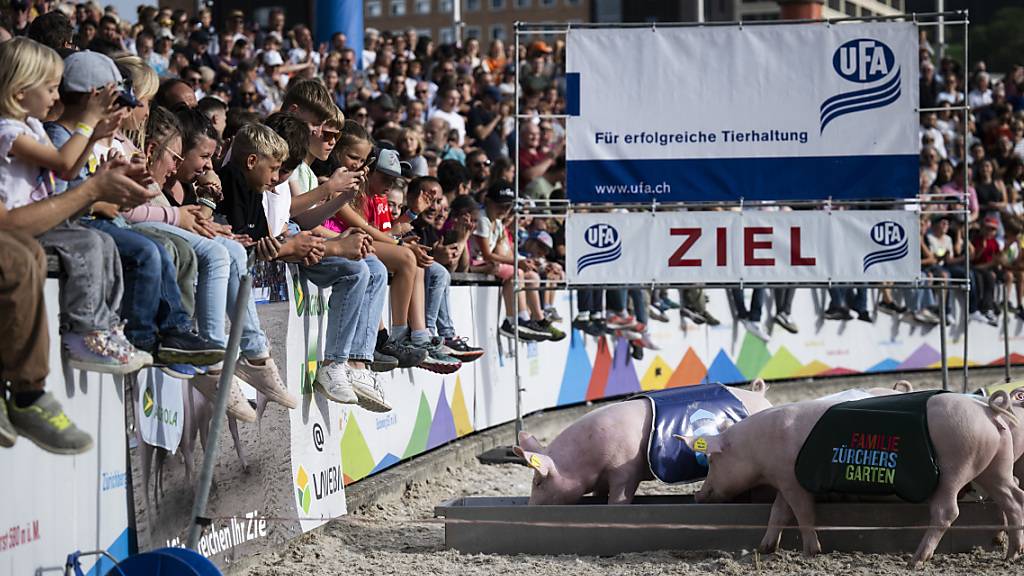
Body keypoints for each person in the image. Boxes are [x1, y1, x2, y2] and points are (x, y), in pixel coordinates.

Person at [45, 50, 224, 374]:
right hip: (79, 224)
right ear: (93, 98)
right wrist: (113, 191)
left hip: (96, 218)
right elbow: (70, 191)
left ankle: (175, 331)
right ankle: (142, 338)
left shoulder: (91, 137)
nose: (123, 111)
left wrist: (126, 186)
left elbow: (91, 188)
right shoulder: (59, 134)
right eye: (116, 101)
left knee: (158, 250)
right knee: (147, 251)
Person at [0, 38, 151, 373]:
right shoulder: (8, 130)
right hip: (22, 227)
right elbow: (63, 162)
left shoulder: (32, 127)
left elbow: (66, 171)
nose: (56, 97)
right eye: (50, 89)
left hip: (41, 219)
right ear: (20, 91)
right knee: (87, 244)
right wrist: (89, 124)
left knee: (103, 242)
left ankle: (105, 327)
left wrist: (94, 137)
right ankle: (83, 332)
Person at [471, 180, 553, 341]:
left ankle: (533, 318)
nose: (505, 210)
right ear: (488, 201)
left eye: (508, 206)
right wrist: (516, 262)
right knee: (516, 272)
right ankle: (515, 319)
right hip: (477, 263)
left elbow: (506, 251)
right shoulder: (482, 219)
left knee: (531, 276)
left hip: (490, 263)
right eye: (500, 205)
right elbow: (487, 254)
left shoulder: (498, 222)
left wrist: (525, 261)